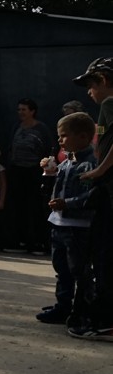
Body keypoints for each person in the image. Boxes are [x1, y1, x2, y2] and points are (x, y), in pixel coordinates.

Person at [36, 112, 97, 325]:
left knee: (79, 271)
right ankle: (63, 307)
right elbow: (54, 185)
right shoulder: (68, 161)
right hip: (59, 224)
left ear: (82, 137)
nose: (60, 140)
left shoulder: (91, 164)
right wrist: (49, 172)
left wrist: (67, 203)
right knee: (61, 270)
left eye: (64, 136)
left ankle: (82, 310)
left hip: (78, 226)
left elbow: (91, 195)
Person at [71, 57, 113, 340]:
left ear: (104, 80)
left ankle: (106, 322)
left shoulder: (109, 103)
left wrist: (100, 170)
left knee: (105, 255)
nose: (89, 92)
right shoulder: (105, 110)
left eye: (91, 85)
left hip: (109, 189)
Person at [5, 98, 55, 254]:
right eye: (19, 109)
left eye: (24, 109)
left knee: (34, 208)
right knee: (17, 207)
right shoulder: (16, 127)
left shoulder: (41, 129)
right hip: (17, 171)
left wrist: (46, 172)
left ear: (32, 111)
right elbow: (11, 147)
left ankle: (37, 242)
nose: (20, 112)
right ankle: (19, 241)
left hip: (34, 172)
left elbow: (49, 150)